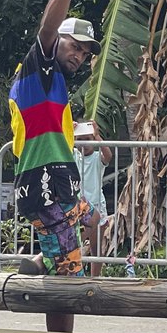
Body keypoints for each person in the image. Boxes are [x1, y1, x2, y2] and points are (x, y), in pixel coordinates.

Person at [9, 0, 100, 333]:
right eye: (73, 46)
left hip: (61, 183)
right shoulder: (39, 68)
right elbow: (47, 28)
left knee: (97, 221)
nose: (78, 55)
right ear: (57, 42)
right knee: (69, 275)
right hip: (44, 183)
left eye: (84, 52)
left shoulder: (55, 85)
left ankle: (40, 261)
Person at [72, 119, 113, 279]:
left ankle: (95, 278)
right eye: (79, 139)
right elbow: (61, 149)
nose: (84, 143)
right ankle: (75, 274)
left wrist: (97, 135)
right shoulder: (73, 155)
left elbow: (108, 156)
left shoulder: (97, 158)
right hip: (77, 207)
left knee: (96, 246)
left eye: (87, 139)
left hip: (96, 206)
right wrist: (69, 132)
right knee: (75, 242)